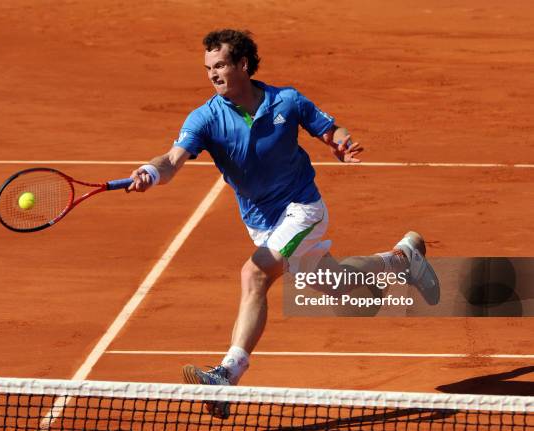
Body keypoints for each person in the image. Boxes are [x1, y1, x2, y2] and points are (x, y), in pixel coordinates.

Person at [126, 29, 439, 419]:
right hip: (262, 222)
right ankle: (401, 259)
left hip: (302, 208)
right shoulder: (205, 117)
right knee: (335, 283)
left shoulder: (286, 101)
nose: (212, 74)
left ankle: (227, 374)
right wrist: (149, 173)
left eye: (220, 65)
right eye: (208, 68)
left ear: (243, 64)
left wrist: (342, 143)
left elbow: (330, 130)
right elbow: (172, 161)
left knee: (254, 274)